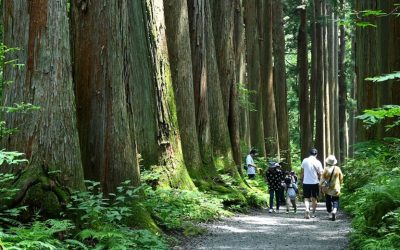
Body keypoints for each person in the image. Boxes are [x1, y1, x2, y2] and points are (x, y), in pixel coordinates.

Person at [301, 148, 323, 219]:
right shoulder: (318, 162)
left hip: (306, 182)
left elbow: (302, 172)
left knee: (306, 198)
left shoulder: (305, 160)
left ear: (309, 153)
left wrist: (302, 179)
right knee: (314, 198)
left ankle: (307, 209)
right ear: (316, 154)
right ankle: (313, 213)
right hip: (315, 182)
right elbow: (321, 173)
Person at [320, 155, 344, 221]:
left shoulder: (326, 169)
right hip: (336, 187)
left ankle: (330, 213)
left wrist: (320, 185)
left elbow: (322, 178)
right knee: (335, 200)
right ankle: (334, 210)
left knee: (328, 200)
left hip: (327, 188)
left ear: (328, 162)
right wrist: (340, 183)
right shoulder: (337, 168)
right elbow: (341, 177)